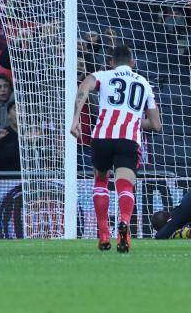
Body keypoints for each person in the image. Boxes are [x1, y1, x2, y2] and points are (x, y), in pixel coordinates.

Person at [69, 44, 162, 253]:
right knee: (125, 187)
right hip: (128, 140)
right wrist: (135, 119)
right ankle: (125, 226)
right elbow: (156, 125)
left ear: (111, 62)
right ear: (133, 63)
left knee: (101, 181)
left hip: (102, 137)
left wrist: (75, 120)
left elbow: (84, 87)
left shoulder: (102, 75)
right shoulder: (143, 83)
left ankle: (103, 232)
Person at [0, 101, 19, 171]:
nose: (19, 113)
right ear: (8, 115)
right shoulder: (1, 135)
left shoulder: (32, 134)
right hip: (8, 177)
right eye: (15, 110)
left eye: (22, 110)